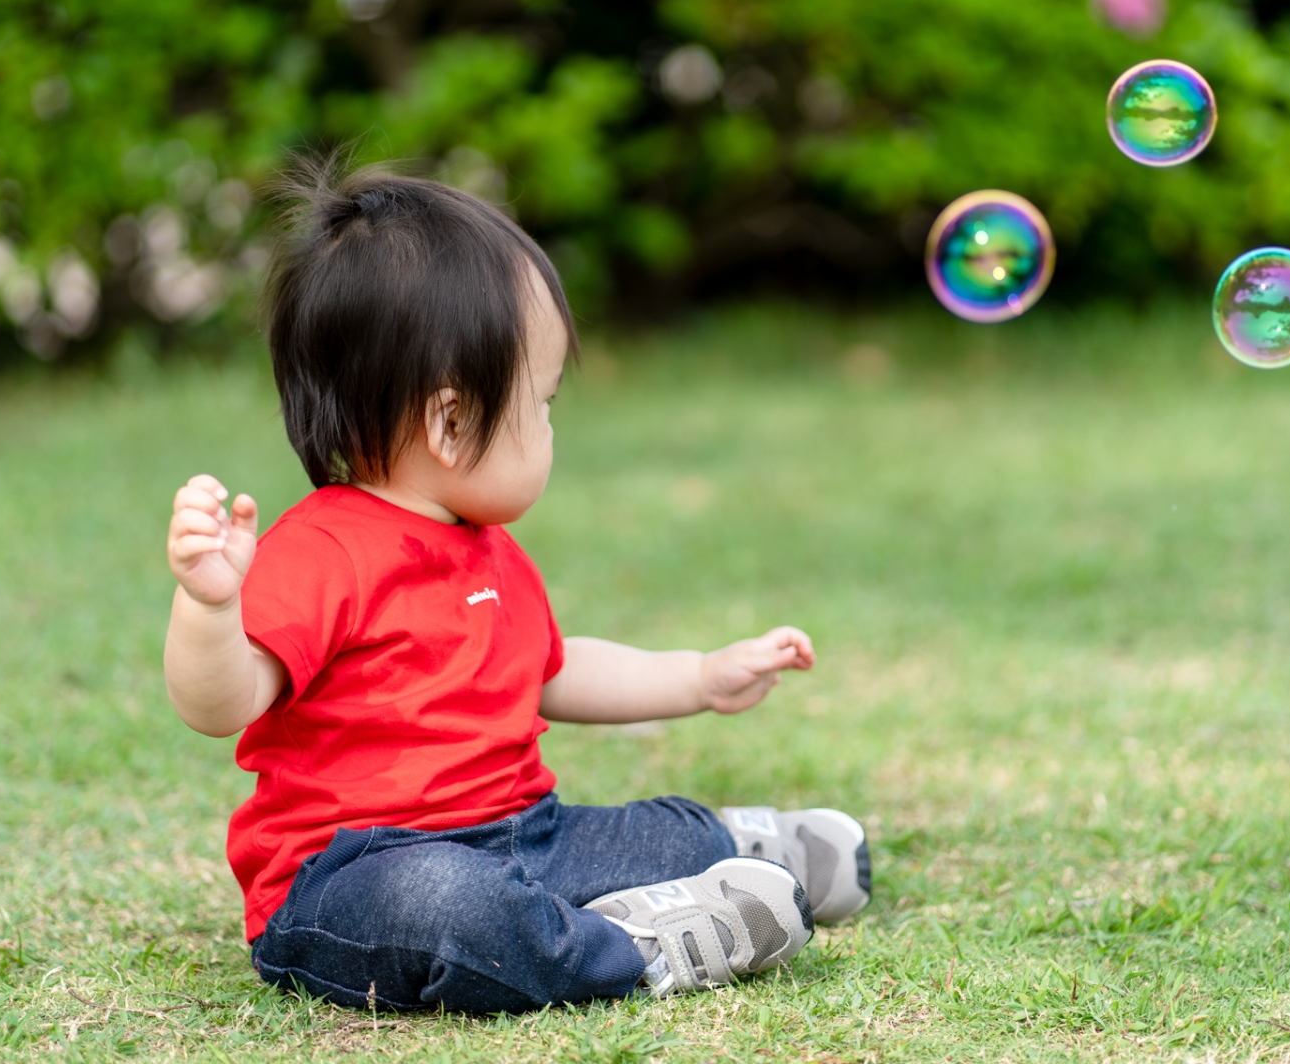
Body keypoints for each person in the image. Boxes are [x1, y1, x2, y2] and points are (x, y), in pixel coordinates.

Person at [161, 160, 870, 1014]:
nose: (550, 427)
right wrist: (209, 607)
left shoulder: (488, 551)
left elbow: (552, 672)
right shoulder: (321, 550)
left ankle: (735, 853)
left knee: (632, 833)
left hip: (526, 834)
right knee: (449, 908)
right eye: (542, 402)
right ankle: (639, 949)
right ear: (453, 421)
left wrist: (699, 677)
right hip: (353, 877)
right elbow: (223, 702)